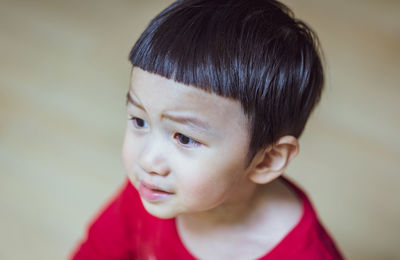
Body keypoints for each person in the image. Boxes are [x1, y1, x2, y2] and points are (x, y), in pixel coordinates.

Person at [71, 0, 344, 259]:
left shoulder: (306, 256)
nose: (146, 160)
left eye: (184, 138)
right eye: (140, 121)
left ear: (267, 160)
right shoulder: (153, 189)